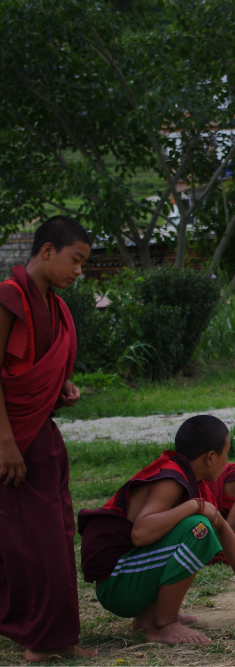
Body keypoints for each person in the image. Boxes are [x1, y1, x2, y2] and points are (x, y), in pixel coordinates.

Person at [78, 416, 235, 645]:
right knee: (199, 530)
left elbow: (222, 528)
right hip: (117, 585)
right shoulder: (172, 479)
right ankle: (163, 624)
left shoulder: (191, 479)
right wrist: (192, 506)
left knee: (202, 523)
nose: (227, 460)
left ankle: (147, 616)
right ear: (211, 457)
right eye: (227, 453)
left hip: (125, 578)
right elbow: (140, 533)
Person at [0, 216, 94, 662]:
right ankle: (44, 642)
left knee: (55, 534)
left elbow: (33, 370)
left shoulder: (54, 306)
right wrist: (5, 443)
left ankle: (55, 635)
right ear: (46, 251)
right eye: (75, 260)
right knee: (34, 540)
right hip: (14, 442)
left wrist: (62, 389)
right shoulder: (8, 298)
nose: (79, 271)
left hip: (42, 437)